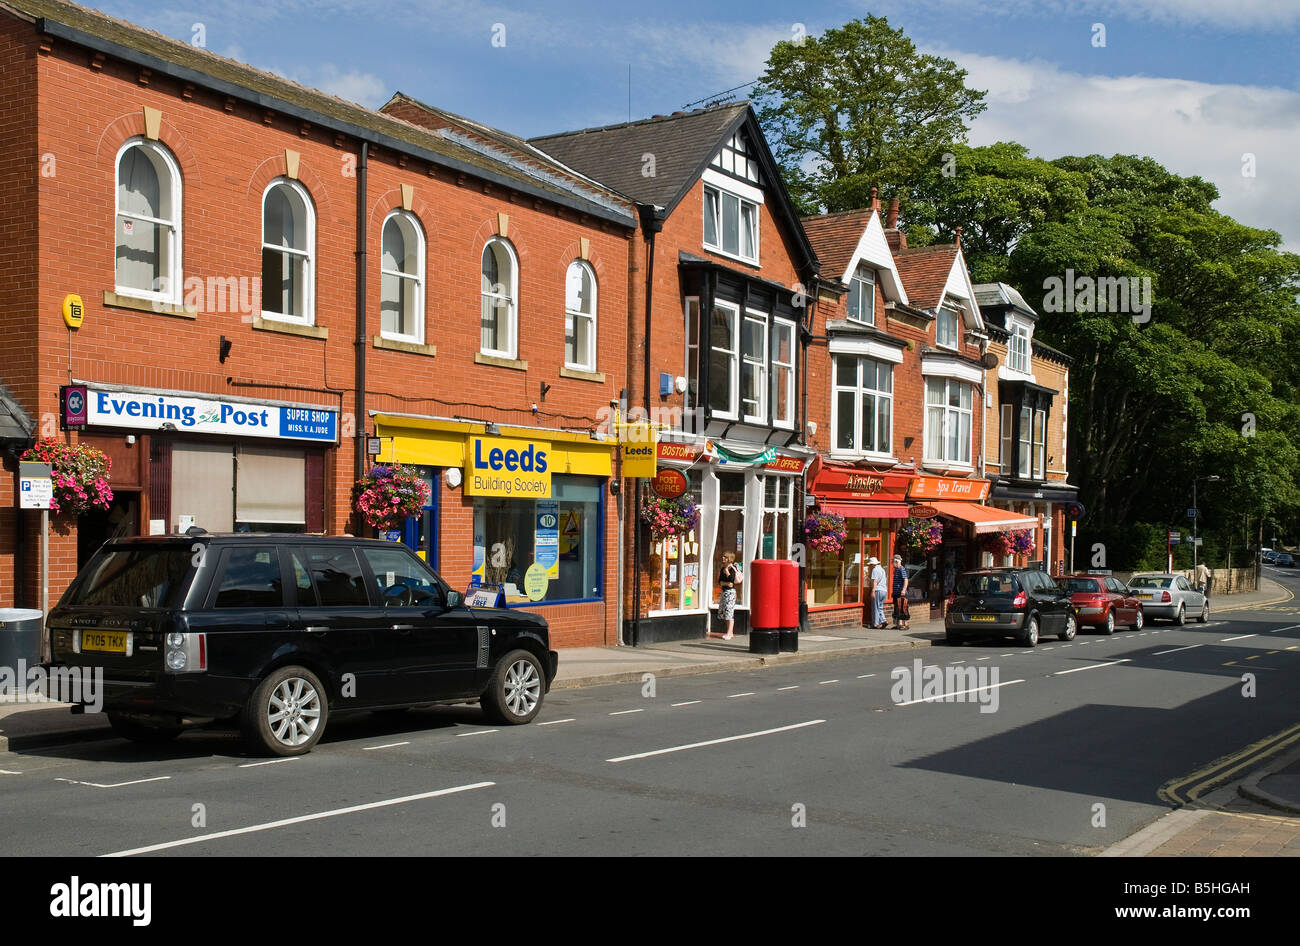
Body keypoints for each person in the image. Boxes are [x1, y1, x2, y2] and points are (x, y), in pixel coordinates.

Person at [708, 553, 743, 640]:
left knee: (729, 612)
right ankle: (729, 632)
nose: (723, 558)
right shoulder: (723, 568)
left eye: (725, 557)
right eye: (723, 556)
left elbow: (731, 581)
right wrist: (725, 583)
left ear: (729, 559)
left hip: (730, 593)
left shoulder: (731, 569)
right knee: (725, 613)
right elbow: (720, 581)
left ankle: (729, 633)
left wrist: (727, 572)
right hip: (724, 592)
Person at [890, 554, 910, 630]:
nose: (892, 563)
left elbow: (906, 580)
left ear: (896, 561)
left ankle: (904, 624)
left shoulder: (902, 569)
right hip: (896, 592)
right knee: (898, 608)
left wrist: (903, 590)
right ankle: (899, 624)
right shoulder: (896, 570)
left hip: (901, 592)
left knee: (902, 608)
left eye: (893, 562)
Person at [868, 556, 888, 629]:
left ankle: (876, 624)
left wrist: (873, 591)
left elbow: (875, 581)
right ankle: (883, 620)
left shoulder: (875, 570)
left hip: (878, 590)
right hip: (884, 590)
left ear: (873, 564)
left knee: (875, 608)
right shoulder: (882, 569)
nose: (869, 566)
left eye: (870, 565)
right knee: (880, 607)